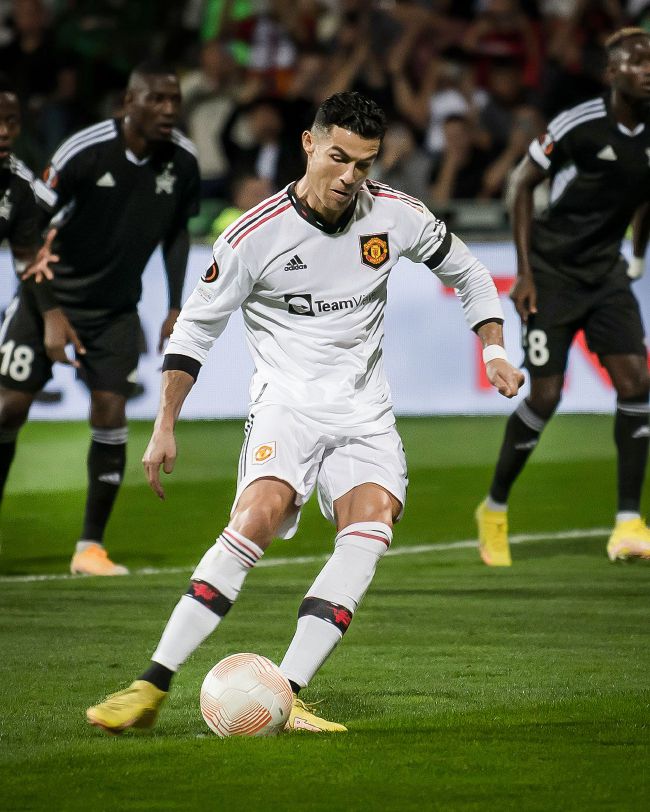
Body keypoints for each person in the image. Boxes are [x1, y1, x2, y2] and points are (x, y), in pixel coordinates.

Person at [86, 90, 522, 735]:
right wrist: (165, 425)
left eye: (365, 165)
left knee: (370, 528)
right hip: (287, 406)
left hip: (364, 410)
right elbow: (193, 334)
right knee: (258, 515)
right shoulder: (252, 237)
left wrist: (492, 350)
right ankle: (151, 684)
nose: (349, 177)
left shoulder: (394, 216)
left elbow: (470, 273)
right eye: (339, 158)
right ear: (309, 144)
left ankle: (284, 692)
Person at [0, 61, 200, 576]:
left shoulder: (182, 160)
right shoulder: (83, 151)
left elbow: (178, 233)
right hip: (48, 300)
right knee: (7, 409)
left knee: (111, 413)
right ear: (127, 104)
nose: (169, 110)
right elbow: (28, 235)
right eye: (157, 100)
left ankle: (90, 548)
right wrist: (49, 313)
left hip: (114, 313)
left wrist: (177, 305)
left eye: (174, 101)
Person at [476, 27, 650, 567]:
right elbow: (521, 186)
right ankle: (494, 507)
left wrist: (636, 254)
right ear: (611, 73)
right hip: (550, 273)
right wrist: (523, 272)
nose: (648, 69)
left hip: (605, 275)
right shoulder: (579, 123)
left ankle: (628, 523)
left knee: (638, 384)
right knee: (545, 397)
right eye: (637, 61)